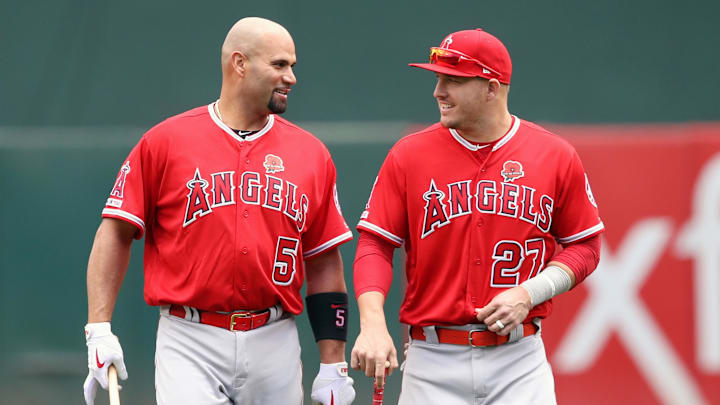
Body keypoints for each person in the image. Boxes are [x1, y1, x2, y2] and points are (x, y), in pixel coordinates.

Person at [83, 17, 356, 405]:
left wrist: (333, 364)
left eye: (292, 66)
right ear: (240, 63)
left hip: (274, 336)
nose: (291, 77)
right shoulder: (165, 142)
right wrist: (99, 327)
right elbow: (115, 232)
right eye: (279, 65)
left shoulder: (312, 154)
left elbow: (325, 261)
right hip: (190, 337)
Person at [350, 28, 603, 404]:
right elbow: (375, 242)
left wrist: (528, 293)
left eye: (453, 80)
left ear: (491, 87)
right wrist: (371, 323)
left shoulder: (554, 155)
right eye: (438, 79)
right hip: (432, 358)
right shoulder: (409, 155)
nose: (438, 91)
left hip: (519, 361)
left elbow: (585, 246)